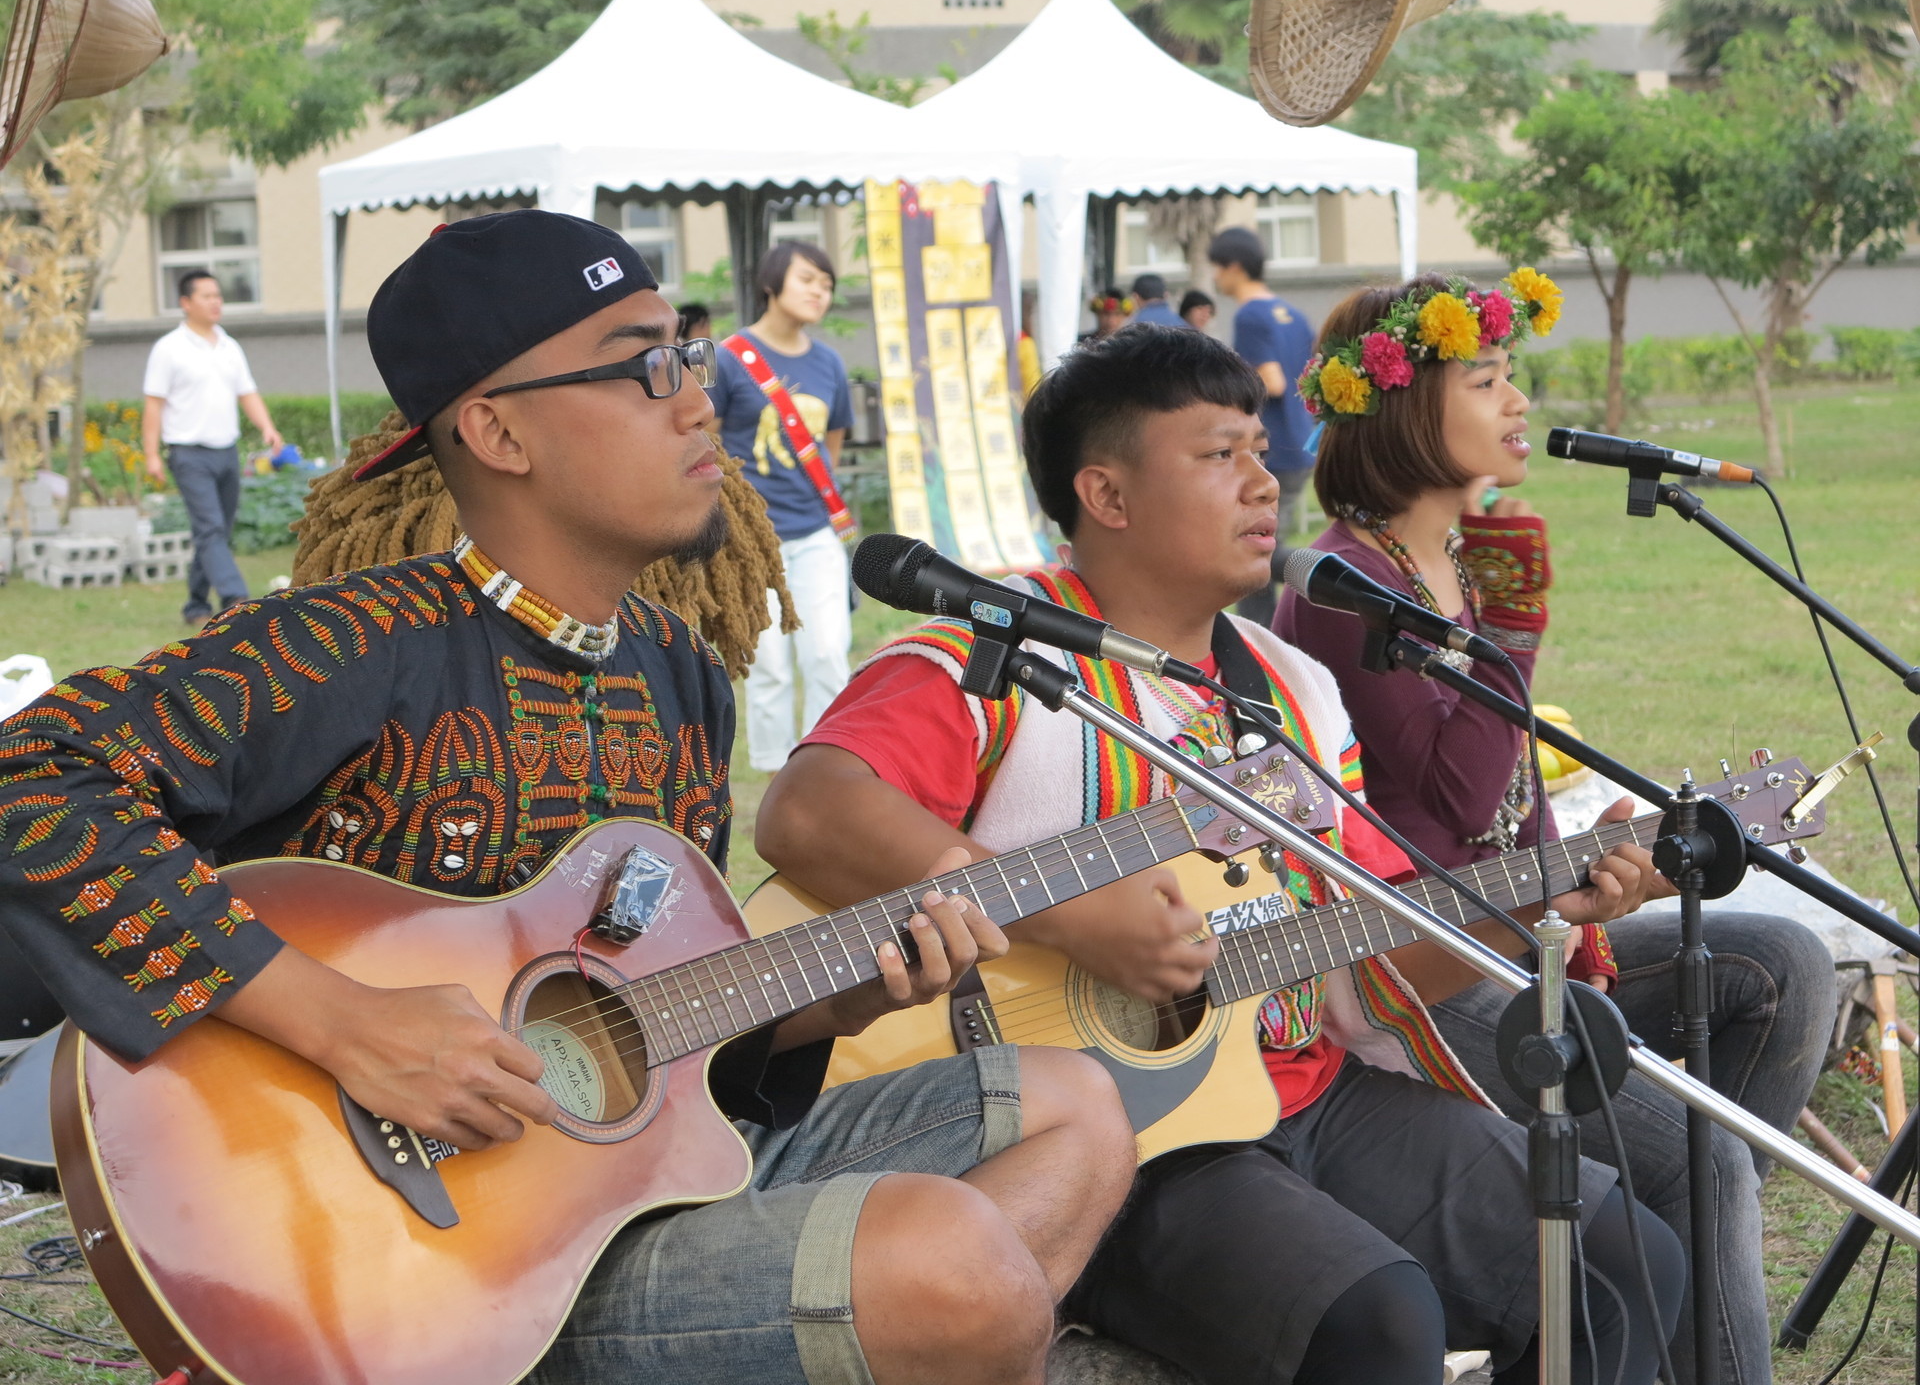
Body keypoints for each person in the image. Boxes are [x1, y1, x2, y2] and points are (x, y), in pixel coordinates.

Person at [0, 212, 1136, 1385]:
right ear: (496, 430)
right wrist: (344, 1022)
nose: (698, 401)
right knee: (956, 1270)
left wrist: (836, 995)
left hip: (623, 1192)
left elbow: (653, 1018)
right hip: (417, 1258)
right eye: (644, 366)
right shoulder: (344, 646)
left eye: (686, 355)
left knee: (1076, 1108)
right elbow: (29, 782)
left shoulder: (680, 673)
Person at [758, 325, 1684, 1385]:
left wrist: (1546, 904)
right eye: (1218, 455)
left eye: (1259, 447)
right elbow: (808, 810)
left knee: (1621, 1264)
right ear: (1106, 496)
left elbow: (1374, 960)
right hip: (1100, 1136)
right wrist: (1066, 918)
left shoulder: (1293, 686)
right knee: (1380, 1324)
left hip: (1303, 1085)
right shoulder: (993, 647)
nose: (1264, 479)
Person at [1276, 270, 1834, 1385]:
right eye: (1485, 379)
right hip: (1425, 974)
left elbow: (1500, 812)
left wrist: (1590, 853)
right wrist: (1519, 633)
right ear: (1401, 412)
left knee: (1784, 967)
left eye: (1512, 377)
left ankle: (1651, 1296)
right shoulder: (1351, 587)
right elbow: (1463, 805)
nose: (1517, 402)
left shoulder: (1448, 562)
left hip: (1522, 929)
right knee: (1700, 1148)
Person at [706, 241, 858, 773]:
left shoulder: (829, 364)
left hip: (815, 534)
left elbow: (832, 441)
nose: (820, 291)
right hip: (751, 541)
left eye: (827, 284)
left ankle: (825, 765)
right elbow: (709, 442)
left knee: (827, 654)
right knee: (768, 665)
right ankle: (774, 770)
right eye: (808, 280)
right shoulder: (730, 358)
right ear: (772, 284)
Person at [142, 269, 286, 625]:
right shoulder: (169, 349)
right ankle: (235, 597)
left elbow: (247, 393)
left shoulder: (229, 346)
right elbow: (153, 405)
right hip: (188, 453)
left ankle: (194, 604)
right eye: (207, 296)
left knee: (216, 531)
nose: (215, 302)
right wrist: (150, 454)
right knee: (209, 528)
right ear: (186, 303)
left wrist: (267, 427)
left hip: (226, 451)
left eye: (218, 295)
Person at [1208, 226, 1316, 622]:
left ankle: (1328, 568)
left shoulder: (1251, 315)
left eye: (1217, 268)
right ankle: (1258, 638)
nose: (1216, 278)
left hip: (1273, 451)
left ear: (1234, 267)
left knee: (1255, 550)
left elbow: (1271, 381)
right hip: (1301, 441)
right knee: (1257, 547)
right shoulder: (1292, 313)